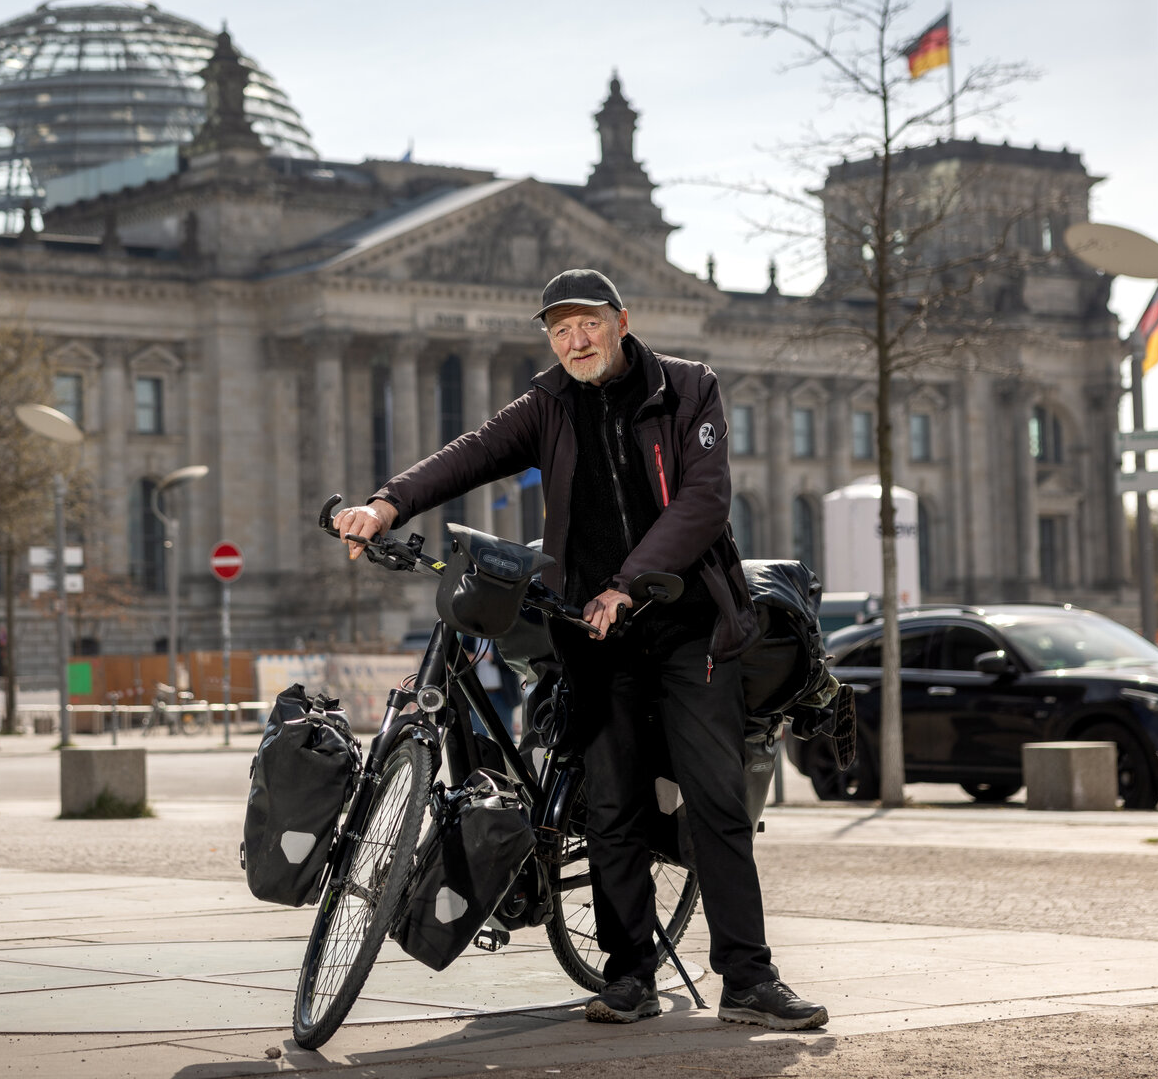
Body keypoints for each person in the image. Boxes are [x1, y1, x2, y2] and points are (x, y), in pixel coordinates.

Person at [332, 269, 827, 1031]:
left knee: (716, 804)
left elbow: (703, 501)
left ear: (620, 322)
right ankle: (628, 977)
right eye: (559, 330)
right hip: (593, 633)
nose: (575, 340)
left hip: (687, 624)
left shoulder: (688, 389)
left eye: (588, 324)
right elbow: (471, 452)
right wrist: (386, 502)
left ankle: (748, 979)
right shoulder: (548, 404)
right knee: (610, 808)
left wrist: (627, 584)